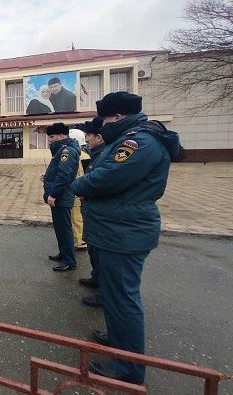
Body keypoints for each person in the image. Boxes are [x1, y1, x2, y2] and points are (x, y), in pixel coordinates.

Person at [70, 92, 179, 384]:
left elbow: (105, 177)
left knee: (122, 298)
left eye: (104, 119)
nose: (102, 126)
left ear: (117, 117)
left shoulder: (138, 142)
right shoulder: (132, 137)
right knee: (116, 297)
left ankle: (128, 368)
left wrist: (78, 184)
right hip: (116, 229)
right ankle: (119, 340)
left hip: (123, 231)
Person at [41, 122, 80, 272]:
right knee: (60, 228)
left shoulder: (67, 151)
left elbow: (64, 176)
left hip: (61, 196)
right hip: (59, 196)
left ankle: (69, 261)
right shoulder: (62, 150)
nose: (50, 140)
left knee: (64, 229)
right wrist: (47, 175)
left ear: (62, 135)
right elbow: (59, 171)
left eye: (52, 137)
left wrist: (53, 194)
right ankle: (63, 253)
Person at [78, 116, 106, 309]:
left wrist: (78, 187)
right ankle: (97, 280)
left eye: (89, 136)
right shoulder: (97, 153)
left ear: (99, 136)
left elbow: (97, 181)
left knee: (106, 261)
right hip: (94, 212)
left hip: (105, 217)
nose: (87, 140)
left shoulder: (107, 153)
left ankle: (105, 294)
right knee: (94, 251)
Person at [68, 128, 90, 251]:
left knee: (76, 217)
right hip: (78, 189)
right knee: (76, 216)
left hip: (77, 190)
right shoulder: (84, 154)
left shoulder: (80, 156)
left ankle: (80, 241)